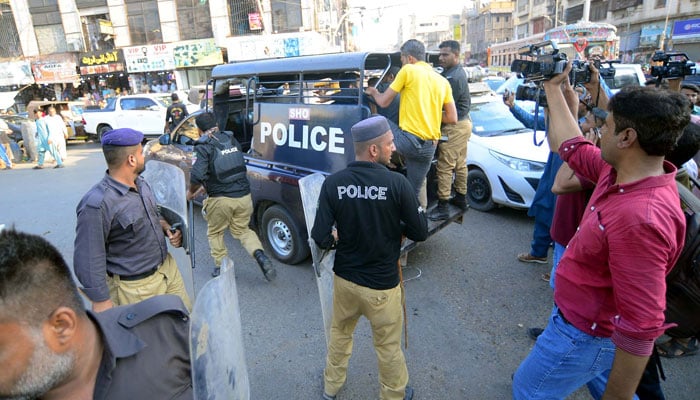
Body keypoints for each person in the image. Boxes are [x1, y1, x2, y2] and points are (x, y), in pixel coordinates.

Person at [512, 63, 689, 399]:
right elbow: (573, 147)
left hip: (584, 334)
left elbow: (641, 327)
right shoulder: (621, 171)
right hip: (592, 329)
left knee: (528, 390)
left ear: (627, 137)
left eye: (606, 126)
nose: (597, 131)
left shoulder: (641, 217)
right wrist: (552, 88)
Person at [311, 115, 428, 400]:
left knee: (340, 335)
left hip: (346, 282)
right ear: (373, 150)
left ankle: (331, 388)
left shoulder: (333, 184)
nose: (393, 149)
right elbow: (420, 232)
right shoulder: (397, 184)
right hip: (382, 288)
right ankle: (394, 394)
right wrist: (396, 225)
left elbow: (320, 236)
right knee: (388, 347)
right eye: (389, 144)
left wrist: (339, 237)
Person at [0, 228, 193, 400]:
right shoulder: (97, 203)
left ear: (62, 327)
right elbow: (89, 254)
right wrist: (102, 299)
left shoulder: (169, 335)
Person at [74, 128, 192, 312]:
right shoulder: (97, 204)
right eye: (140, 152)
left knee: (185, 323)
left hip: (167, 270)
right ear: (131, 159)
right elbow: (88, 258)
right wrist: (101, 300)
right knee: (153, 339)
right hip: (137, 288)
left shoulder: (141, 184)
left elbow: (150, 215)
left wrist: (165, 227)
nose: (144, 156)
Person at [365, 39, 458, 208]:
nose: (401, 64)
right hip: (429, 147)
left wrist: (374, 92)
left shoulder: (408, 70)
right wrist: (430, 114)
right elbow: (452, 117)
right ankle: (412, 228)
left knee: (373, 119)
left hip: (408, 142)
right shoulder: (442, 81)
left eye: (401, 60)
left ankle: (382, 161)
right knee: (412, 194)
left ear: (409, 58)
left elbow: (384, 102)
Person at [186, 112, 277, 280]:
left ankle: (222, 268)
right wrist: (206, 186)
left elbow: (197, 176)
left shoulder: (203, 145)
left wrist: (191, 192)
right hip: (244, 196)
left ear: (199, 130)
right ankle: (260, 256)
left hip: (221, 199)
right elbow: (230, 167)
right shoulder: (231, 139)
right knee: (243, 230)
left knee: (215, 233)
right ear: (217, 125)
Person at [432, 40, 472, 219]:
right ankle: (461, 198)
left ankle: (443, 206)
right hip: (464, 123)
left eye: (445, 54)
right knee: (460, 163)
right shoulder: (453, 72)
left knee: (445, 166)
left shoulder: (453, 78)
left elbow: (444, 107)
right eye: (440, 54)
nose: (441, 58)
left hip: (454, 126)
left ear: (456, 55)